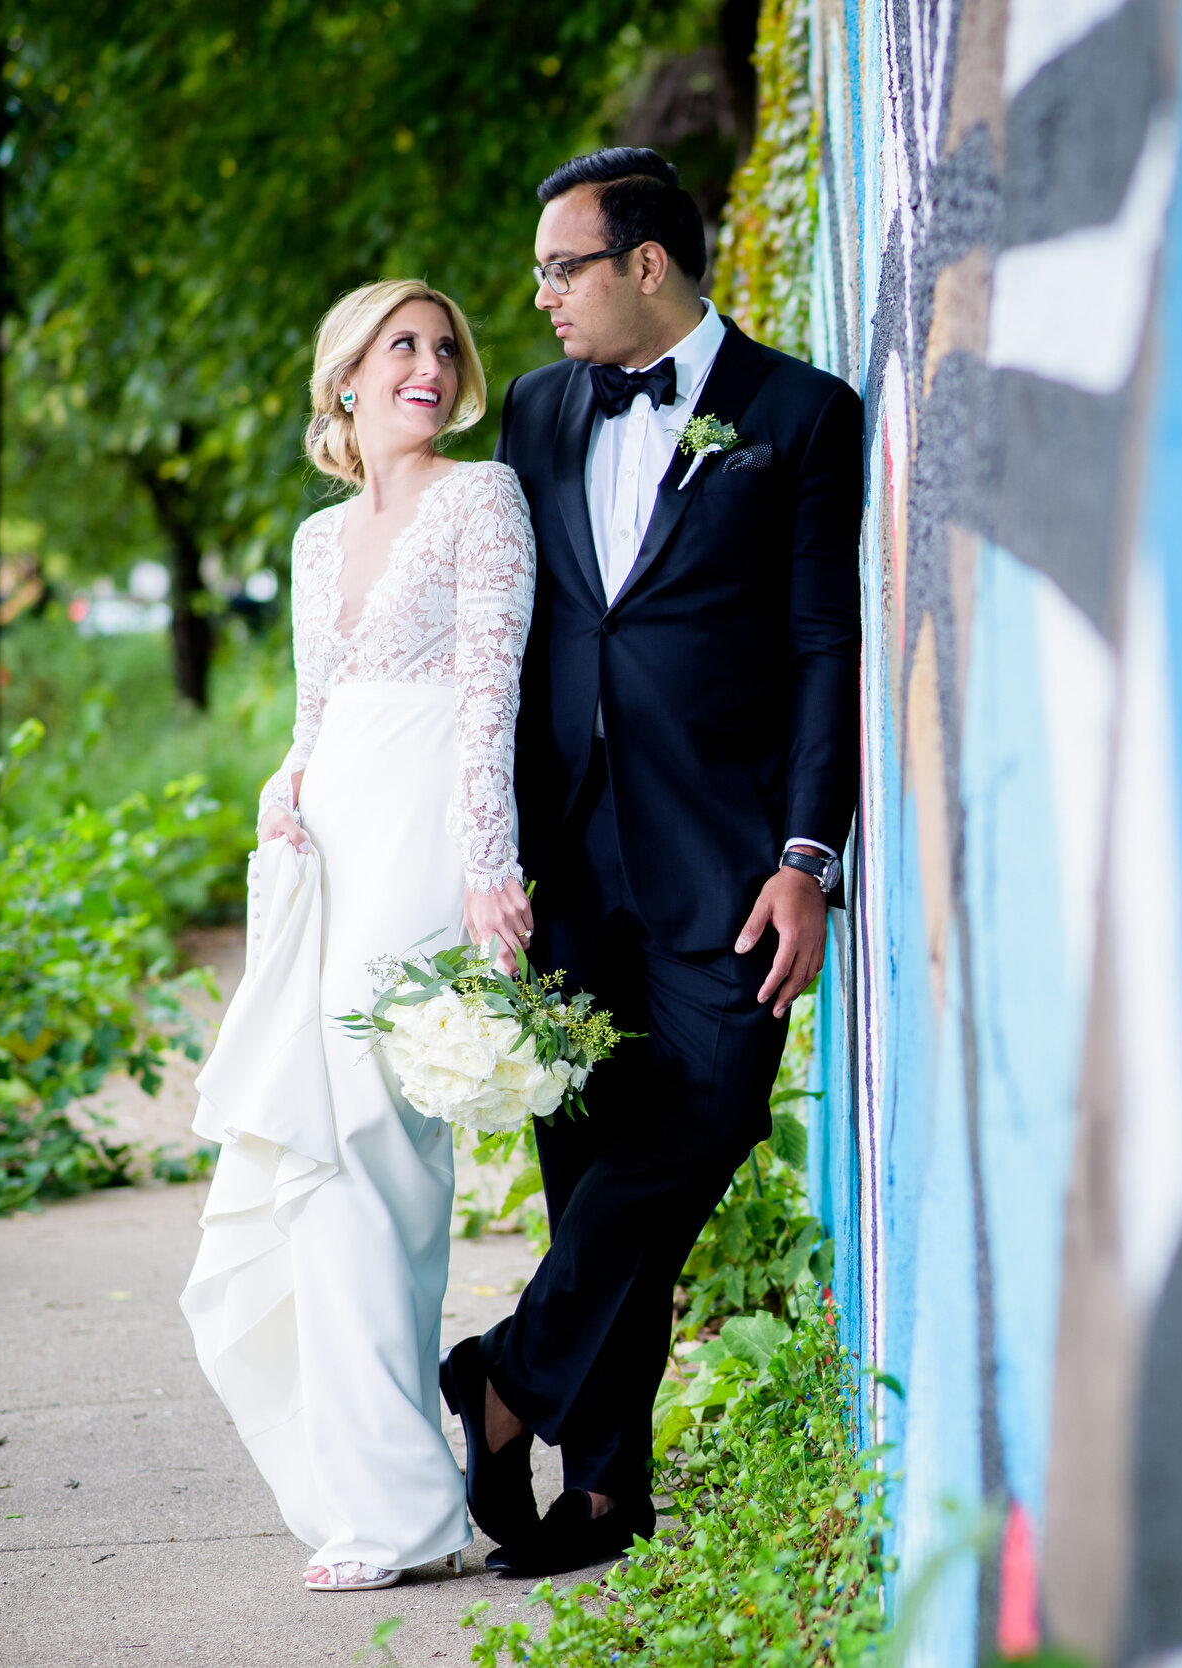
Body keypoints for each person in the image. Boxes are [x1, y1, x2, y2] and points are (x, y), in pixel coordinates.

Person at [442, 148, 862, 1578]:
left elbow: (823, 646)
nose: (541, 296)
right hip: (567, 860)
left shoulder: (801, 416)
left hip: (727, 860)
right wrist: (487, 842)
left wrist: (808, 855)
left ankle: (504, 1375)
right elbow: (515, 638)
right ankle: (603, 1496)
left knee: (710, 1115)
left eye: (563, 266)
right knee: (588, 1165)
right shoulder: (542, 415)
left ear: (647, 265)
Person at [179, 279, 538, 1592]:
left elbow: (491, 696)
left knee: (388, 1157)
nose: (431, 366)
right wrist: (283, 792)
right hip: (328, 860)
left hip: (427, 852)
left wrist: (493, 870)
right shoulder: (318, 541)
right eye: (404, 346)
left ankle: (407, 1511)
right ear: (347, 378)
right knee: (321, 1170)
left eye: (446, 348)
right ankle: (386, 1504)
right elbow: (313, 712)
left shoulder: (483, 501)